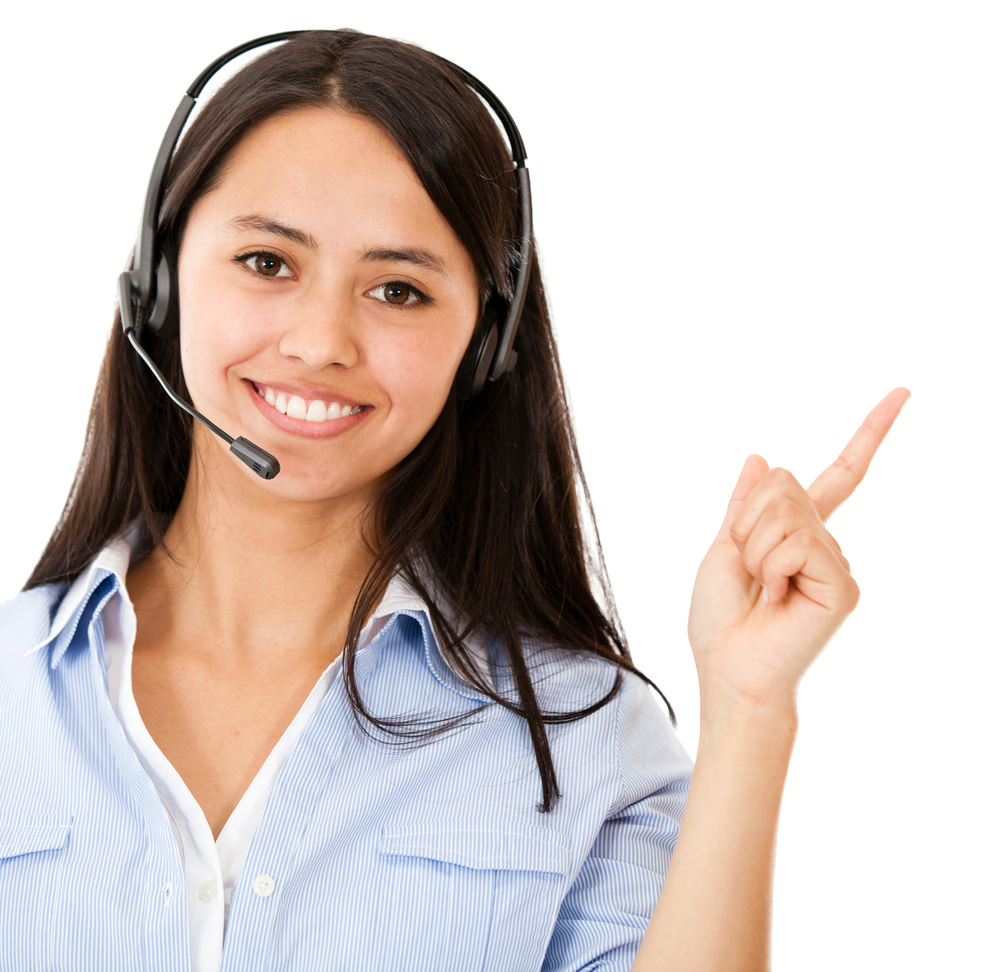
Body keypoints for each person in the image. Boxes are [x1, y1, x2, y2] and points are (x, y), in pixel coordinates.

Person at [0, 29, 907, 972]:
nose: (321, 341)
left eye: (398, 289)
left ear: (486, 343)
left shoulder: (582, 736)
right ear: (158, 279)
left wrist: (749, 711)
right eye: (268, 262)